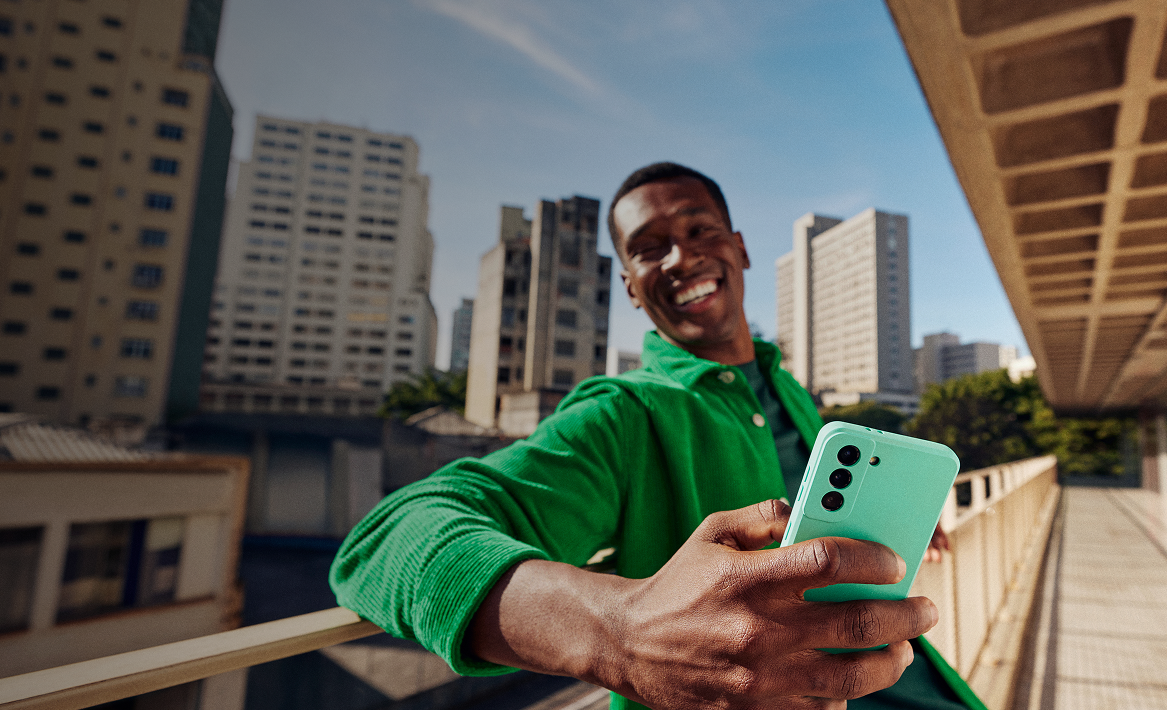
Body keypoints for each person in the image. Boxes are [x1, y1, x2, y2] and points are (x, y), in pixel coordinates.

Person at [331, 162, 984, 709]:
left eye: (701, 230)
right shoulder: (622, 413)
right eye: (649, 247)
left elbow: (818, 516)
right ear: (631, 289)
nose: (682, 256)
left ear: (740, 248)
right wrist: (618, 632)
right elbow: (386, 539)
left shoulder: (784, 387)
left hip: (920, 682)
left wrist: (894, 522)